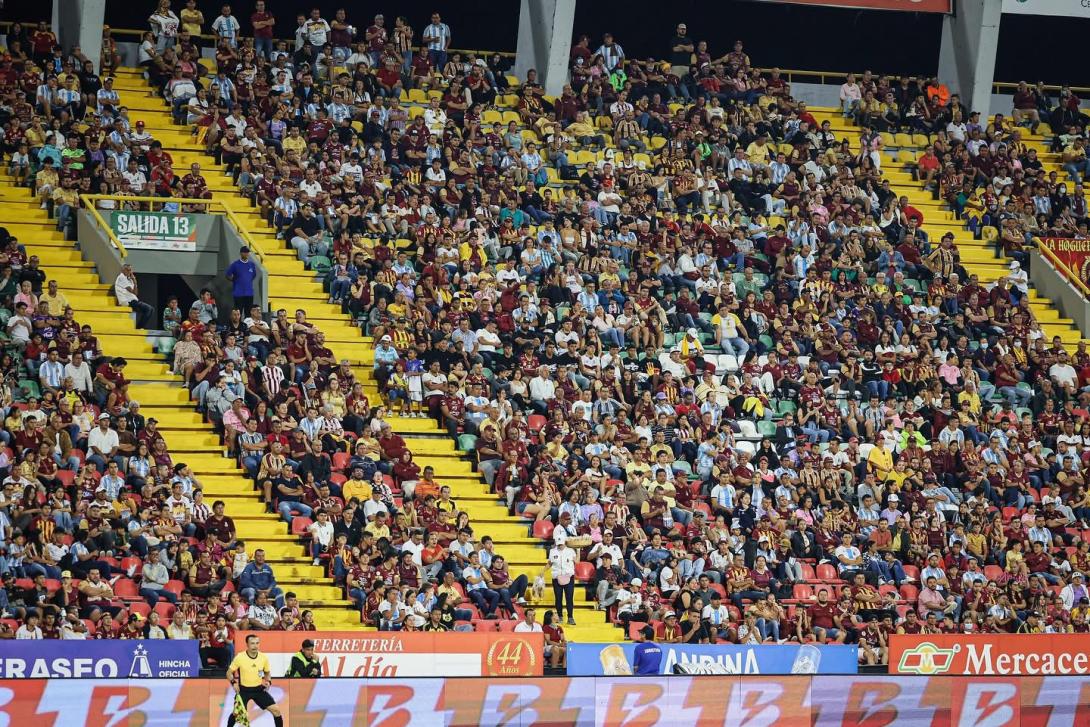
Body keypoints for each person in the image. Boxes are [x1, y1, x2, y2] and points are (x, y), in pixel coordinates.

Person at [227, 634, 283, 727]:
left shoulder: (263, 657)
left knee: (276, 710)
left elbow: (267, 673)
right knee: (236, 714)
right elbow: (229, 673)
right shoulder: (240, 657)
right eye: (252, 643)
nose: (255, 646)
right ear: (247, 645)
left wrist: (268, 682)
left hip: (259, 690)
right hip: (243, 690)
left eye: (257, 643)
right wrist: (233, 683)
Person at [113, 263, 154, 328]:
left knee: (151, 309)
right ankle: (139, 327)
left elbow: (136, 293)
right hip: (127, 301)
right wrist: (134, 282)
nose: (129, 271)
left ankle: (140, 326)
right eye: (127, 270)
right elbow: (133, 292)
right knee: (148, 309)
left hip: (133, 300)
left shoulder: (129, 279)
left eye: (130, 270)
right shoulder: (121, 277)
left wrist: (134, 281)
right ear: (123, 270)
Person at [548, 536, 577, 625]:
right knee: (558, 598)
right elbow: (550, 563)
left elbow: (577, 561)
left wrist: (578, 551)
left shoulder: (571, 551)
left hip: (568, 577)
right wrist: (542, 571)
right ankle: (560, 616)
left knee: (569, 598)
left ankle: (570, 617)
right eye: (559, 544)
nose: (560, 546)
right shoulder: (552, 551)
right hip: (557, 578)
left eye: (562, 544)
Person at [225, 246, 259, 313]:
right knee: (238, 313)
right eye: (245, 252)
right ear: (241, 253)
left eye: (247, 252)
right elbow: (227, 275)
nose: (246, 254)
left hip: (249, 294)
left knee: (249, 314)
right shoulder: (235, 264)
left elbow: (253, 275)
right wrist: (234, 280)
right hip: (238, 294)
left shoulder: (251, 264)